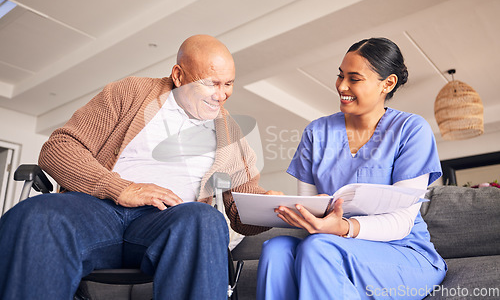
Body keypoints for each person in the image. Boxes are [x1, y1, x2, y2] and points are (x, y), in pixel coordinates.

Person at [0, 35, 273, 300]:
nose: (221, 95)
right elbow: (58, 148)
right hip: (96, 210)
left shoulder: (231, 133)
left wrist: (272, 209)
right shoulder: (129, 92)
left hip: (170, 221)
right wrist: (120, 188)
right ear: (178, 76)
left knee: (205, 218)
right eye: (210, 83)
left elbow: (239, 210)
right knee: (36, 216)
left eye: (228, 84)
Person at [256, 37, 447, 300]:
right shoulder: (316, 132)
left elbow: (402, 222)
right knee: (276, 249)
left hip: (401, 251)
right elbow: (312, 211)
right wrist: (289, 207)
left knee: (319, 247)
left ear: (387, 83)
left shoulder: (411, 130)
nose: (341, 86)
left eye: (354, 78)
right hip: (331, 242)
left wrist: (344, 228)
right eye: (340, 75)